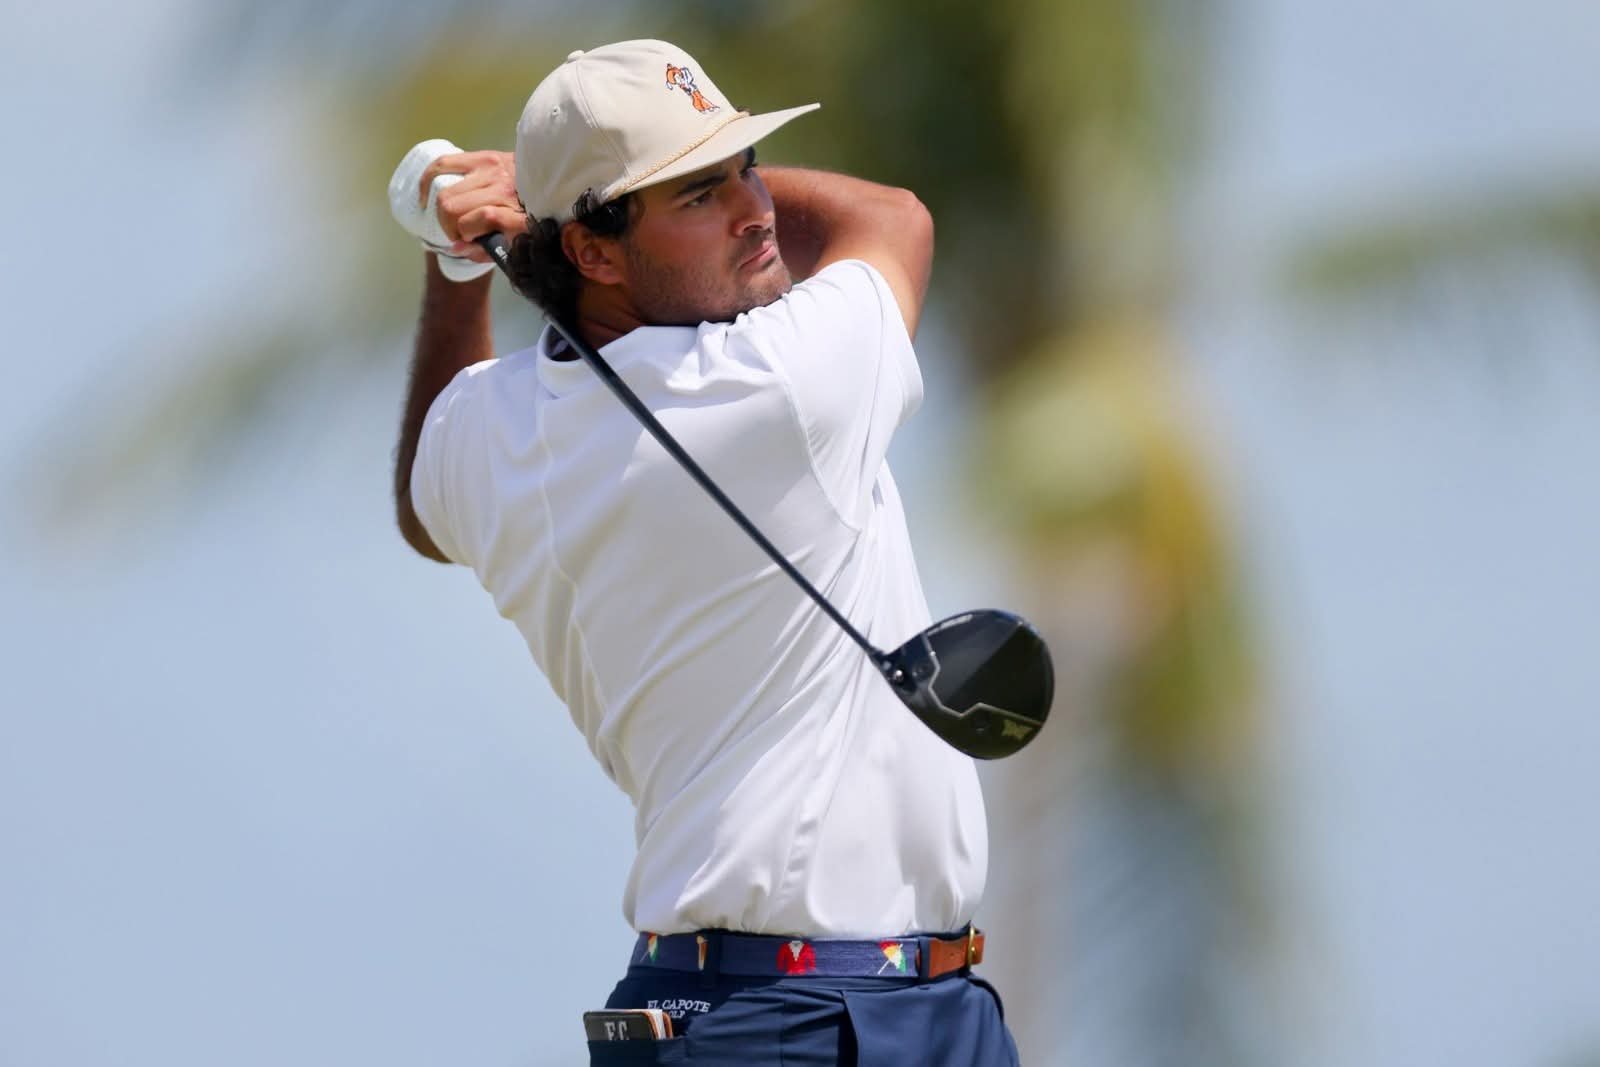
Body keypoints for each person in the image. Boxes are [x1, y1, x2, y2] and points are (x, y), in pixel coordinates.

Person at [391, 39, 1020, 1066]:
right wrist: (523, 192)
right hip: (812, 1018)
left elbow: (426, 492)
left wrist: (457, 266)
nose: (755, 208)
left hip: (703, 1007)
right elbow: (891, 219)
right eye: (696, 192)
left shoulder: (494, 433)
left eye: (745, 166)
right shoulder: (776, 384)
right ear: (592, 250)